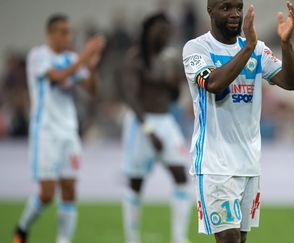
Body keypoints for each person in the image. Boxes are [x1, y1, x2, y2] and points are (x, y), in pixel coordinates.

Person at [182, 0, 294, 242]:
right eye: (226, 8)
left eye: (238, 7)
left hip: (248, 162)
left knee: (240, 239)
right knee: (229, 238)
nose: (235, 14)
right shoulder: (196, 49)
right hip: (215, 162)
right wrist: (247, 48)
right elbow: (213, 84)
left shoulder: (257, 49)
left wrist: (286, 44)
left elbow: (291, 82)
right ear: (210, 11)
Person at [13, 14, 105, 243]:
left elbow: (93, 91)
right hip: (45, 132)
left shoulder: (73, 58)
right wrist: (85, 56)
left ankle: (63, 240)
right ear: (50, 34)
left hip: (69, 132)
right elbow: (57, 77)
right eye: (63, 32)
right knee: (46, 193)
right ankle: (22, 229)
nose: (67, 36)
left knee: (69, 189)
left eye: (69, 31)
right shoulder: (38, 56)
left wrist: (91, 67)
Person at [121, 13, 192, 243]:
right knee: (136, 182)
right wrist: (149, 130)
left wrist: (174, 84)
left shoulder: (170, 59)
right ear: (148, 32)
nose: (165, 35)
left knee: (181, 175)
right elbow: (131, 96)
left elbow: (173, 96)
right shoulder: (136, 58)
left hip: (166, 120)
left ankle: (179, 238)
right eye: (160, 30)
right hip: (141, 123)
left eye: (167, 31)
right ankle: (132, 238)